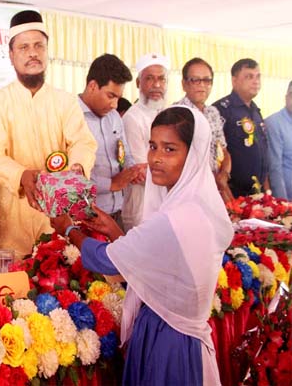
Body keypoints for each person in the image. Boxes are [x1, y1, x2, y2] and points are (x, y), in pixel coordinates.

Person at [51, 106, 233, 385]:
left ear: (193, 156)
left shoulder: (178, 217)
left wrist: (69, 229)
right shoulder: (193, 206)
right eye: (153, 146)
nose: (157, 159)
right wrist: (113, 230)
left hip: (169, 338)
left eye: (170, 149)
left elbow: (107, 261)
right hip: (170, 329)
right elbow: (155, 261)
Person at [0, 10, 96, 259]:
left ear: (46, 51)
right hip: (13, 217)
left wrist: (76, 168)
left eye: (38, 46)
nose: (32, 53)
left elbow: (83, 142)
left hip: (58, 215)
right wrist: (21, 175)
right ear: (11, 56)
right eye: (23, 47)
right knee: (11, 292)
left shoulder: (65, 101)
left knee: (59, 284)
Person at [78, 54, 145, 226]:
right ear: (92, 86)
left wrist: (133, 171)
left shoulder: (114, 117)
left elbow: (125, 153)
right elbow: (68, 176)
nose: (115, 105)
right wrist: (111, 184)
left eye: (118, 98)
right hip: (86, 217)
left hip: (117, 214)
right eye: (110, 96)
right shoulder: (71, 117)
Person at [121, 53, 169, 230]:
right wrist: (176, 169)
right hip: (141, 208)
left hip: (168, 205)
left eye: (161, 79)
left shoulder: (170, 114)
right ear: (138, 83)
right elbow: (140, 172)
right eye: (149, 78)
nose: (156, 85)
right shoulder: (132, 118)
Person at [176, 57, 234, 203]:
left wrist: (224, 174)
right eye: (195, 80)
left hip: (216, 189)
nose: (202, 85)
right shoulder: (176, 113)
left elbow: (223, 150)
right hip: (188, 193)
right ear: (184, 84)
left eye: (207, 80)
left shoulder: (213, 112)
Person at [214, 58, 269, 198]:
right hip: (233, 194)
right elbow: (216, 157)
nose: (256, 81)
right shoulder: (221, 110)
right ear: (234, 80)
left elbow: (262, 151)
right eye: (249, 76)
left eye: (258, 76)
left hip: (257, 193)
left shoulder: (256, 111)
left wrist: (267, 190)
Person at [265, 81, 292, 199]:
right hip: (287, 199)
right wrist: (283, 205)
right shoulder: (274, 123)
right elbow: (275, 167)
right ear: (286, 97)